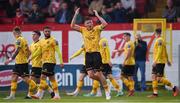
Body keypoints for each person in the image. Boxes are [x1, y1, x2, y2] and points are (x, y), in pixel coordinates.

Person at [70, 8, 111, 100]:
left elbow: (105, 24)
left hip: (96, 54)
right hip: (88, 55)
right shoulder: (82, 30)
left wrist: (97, 15)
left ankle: (107, 91)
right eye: (88, 23)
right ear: (85, 24)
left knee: (99, 74)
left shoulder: (97, 29)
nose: (90, 24)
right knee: (91, 75)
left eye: (91, 22)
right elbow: (72, 26)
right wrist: (76, 14)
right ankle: (105, 82)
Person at [4, 26, 37, 99]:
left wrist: (10, 59)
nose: (14, 35)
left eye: (14, 33)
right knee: (14, 77)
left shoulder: (19, 40)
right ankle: (12, 95)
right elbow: (29, 51)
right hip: (19, 62)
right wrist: (27, 57)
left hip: (22, 63)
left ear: (16, 32)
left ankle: (38, 87)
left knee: (25, 79)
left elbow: (17, 50)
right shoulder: (23, 39)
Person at [31, 26, 64, 100]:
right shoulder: (42, 41)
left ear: (50, 32)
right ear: (43, 32)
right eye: (46, 31)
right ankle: (57, 95)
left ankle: (38, 94)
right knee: (52, 79)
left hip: (50, 61)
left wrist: (61, 61)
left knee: (42, 76)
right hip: (44, 61)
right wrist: (31, 57)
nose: (47, 32)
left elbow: (58, 51)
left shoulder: (53, 40)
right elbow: (39, 51)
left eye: (48, 31)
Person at [147, 28, 179, 98]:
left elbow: (160, 51)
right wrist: (167, 60)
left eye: (154, 33)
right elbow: (165, 51)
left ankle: (174, 88)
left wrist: (155, 61)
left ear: (156, 33)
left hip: (159, 62)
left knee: (159, 79)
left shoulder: (160, 40)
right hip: (157, 61)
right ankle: (155, 94)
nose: (154, 35)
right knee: (153, 77)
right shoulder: (159, 40)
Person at [25, 30, 54, 99]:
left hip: (40, 65)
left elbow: (41, 52)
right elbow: (29, 53)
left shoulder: (41, 43)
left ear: (38, 35)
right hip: (34, 64)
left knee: (32, 79)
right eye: (32, 35)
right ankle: (51, 92)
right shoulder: (32, 45)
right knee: (39, 81)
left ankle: (29, 95)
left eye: (34, 34)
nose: (33, 36)